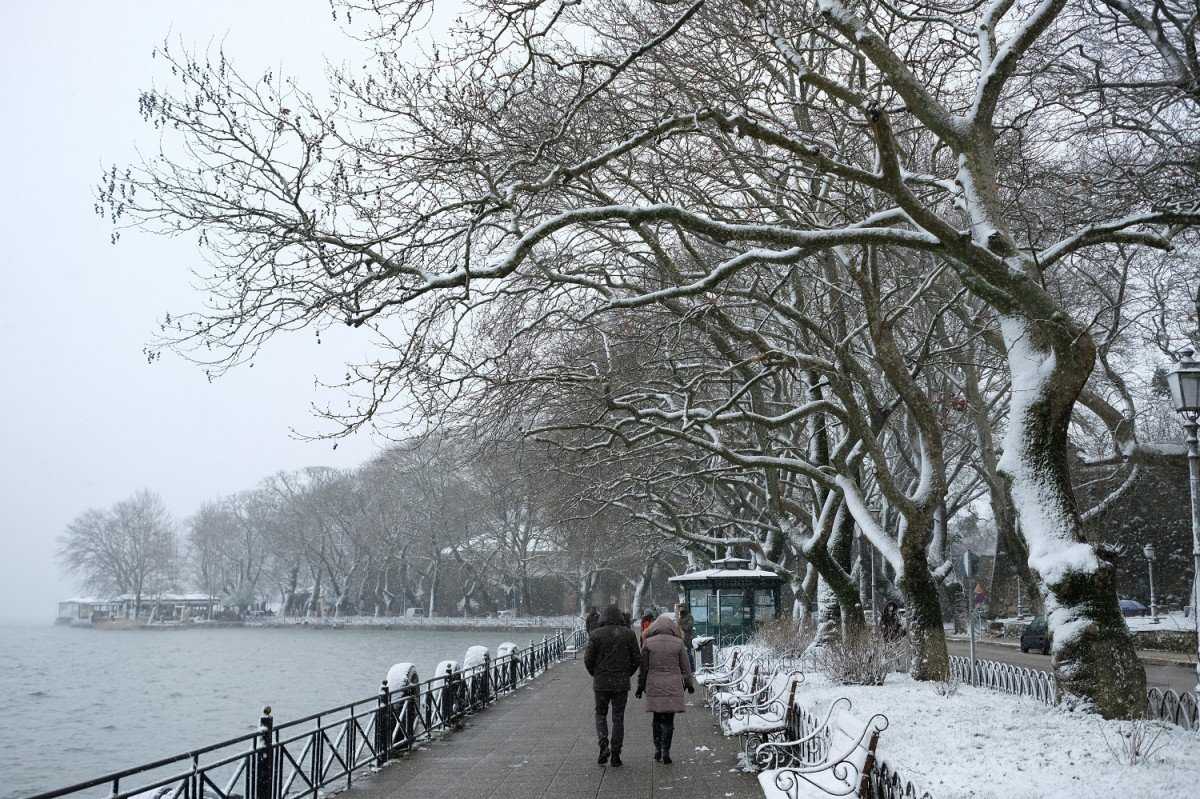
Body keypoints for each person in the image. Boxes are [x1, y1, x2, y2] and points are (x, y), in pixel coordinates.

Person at [584, 604, 640, 767]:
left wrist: (596, 673)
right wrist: (626, 672)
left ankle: (603, 744)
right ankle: (616, 753)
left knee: (600, 714)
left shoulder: (595, 635)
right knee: (618, 717)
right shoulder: (628, 634)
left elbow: (588, 659)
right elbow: (637, 658)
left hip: (601, 682)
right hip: (621, 683)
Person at [635, 614, 695, 764]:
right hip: (673, 684)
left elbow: (643, 668)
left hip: (654, 684)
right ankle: (666, 750)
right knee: (669, 720)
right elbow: (686, 667)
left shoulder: (648, 643)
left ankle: (657, 749)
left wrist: (640, 686)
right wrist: (689, 684)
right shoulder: (678, 643)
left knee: (656, 718)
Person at [675, 602, 696, 670]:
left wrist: (681, 626)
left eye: (682, 608)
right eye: (680, 608)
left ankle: (692, 668)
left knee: (688, 653)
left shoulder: (689, 617)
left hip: (687, 638)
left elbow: (689, 627)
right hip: (681, 638)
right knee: (682, 654)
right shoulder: (680, 617)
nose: (681, 610)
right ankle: (685, 668)